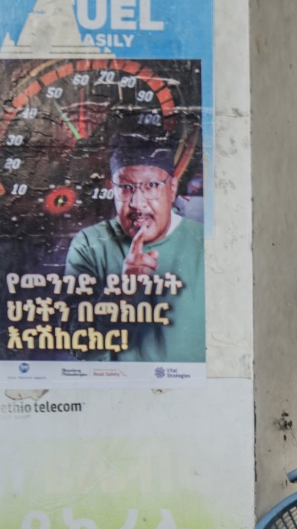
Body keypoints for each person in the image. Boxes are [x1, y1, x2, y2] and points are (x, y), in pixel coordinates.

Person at [63, 131, 205, 368]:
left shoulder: (203, 244)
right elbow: (80, 348)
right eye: (126, 188)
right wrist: (122, 292)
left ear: (172, 189)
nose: (137, 203)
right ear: (113, 189)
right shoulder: (88, 244)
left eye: (151, 186)